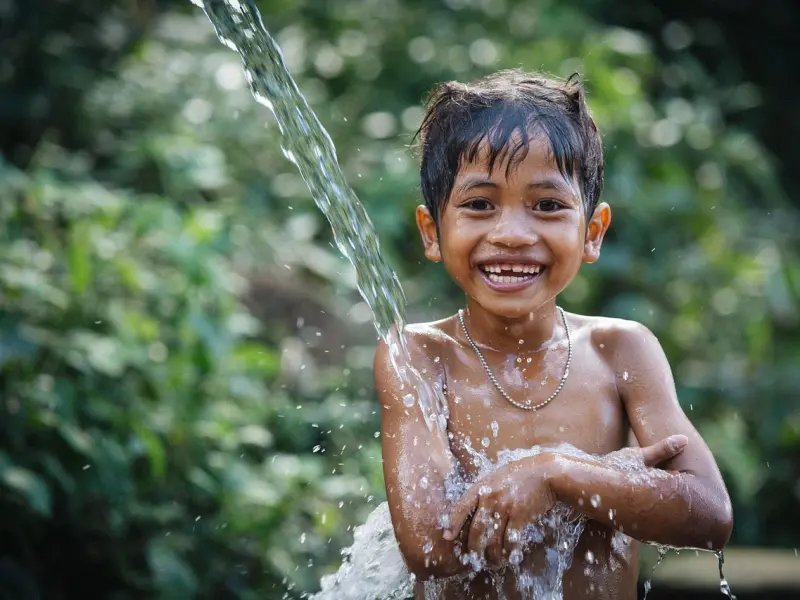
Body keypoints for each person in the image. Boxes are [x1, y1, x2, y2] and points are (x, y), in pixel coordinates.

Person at [373, 69, 733, 599]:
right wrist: (609, 479)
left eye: (547, 205)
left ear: (592, 233)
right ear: (433, 232)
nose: (512, 234)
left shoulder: (620, 351)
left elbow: (708, 515)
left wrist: (559, 476)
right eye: (479, 205)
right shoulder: (421, 357)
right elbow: (431, 547)